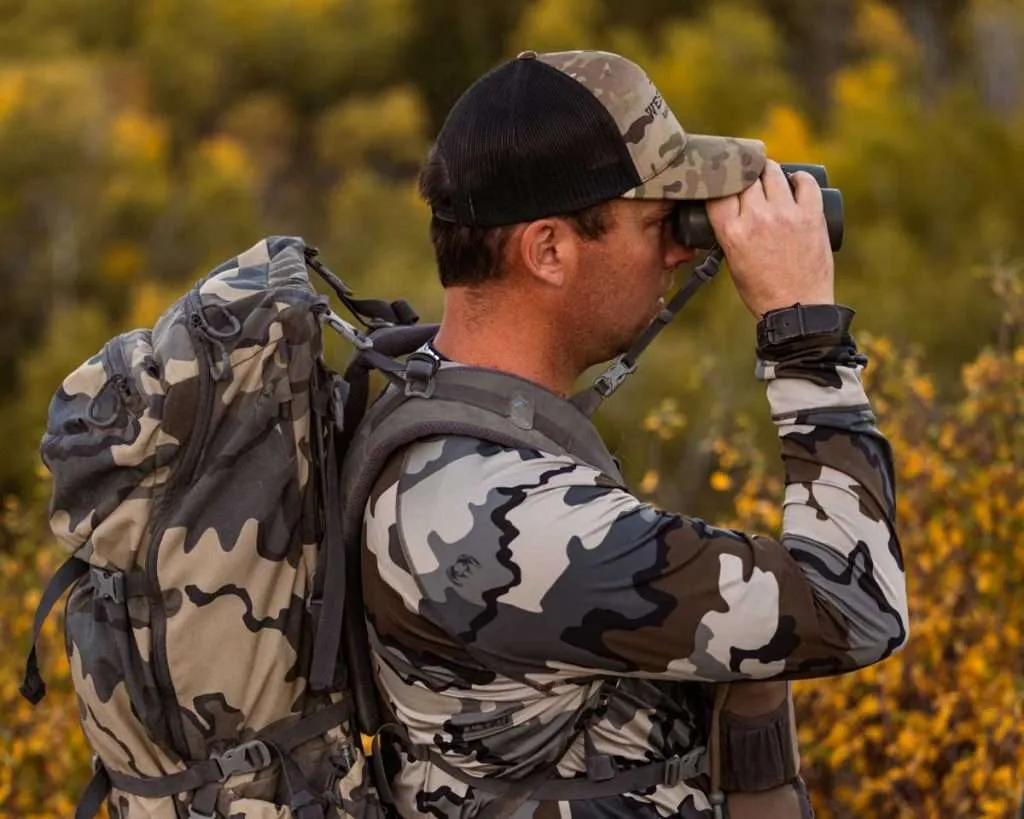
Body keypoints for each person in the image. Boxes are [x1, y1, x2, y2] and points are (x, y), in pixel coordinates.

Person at [357, 49, 908, 818]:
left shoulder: (423, 400)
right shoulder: (504, 517)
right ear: (548, 250)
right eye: (658, 222)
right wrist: (804, 333)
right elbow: (856, 609)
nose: (681, 249)